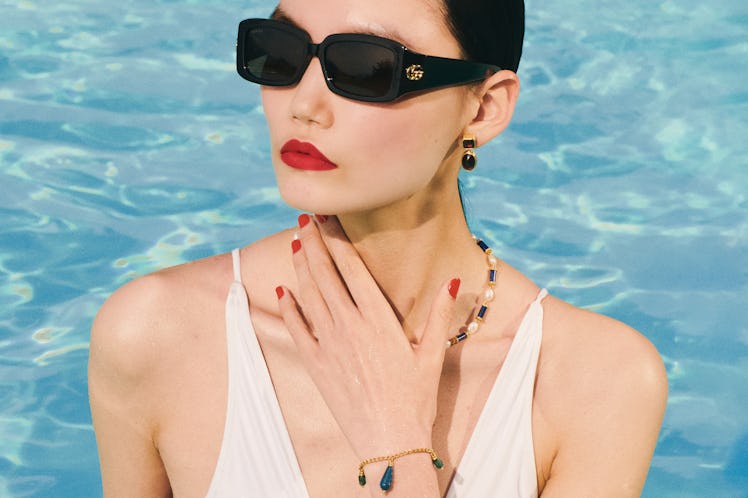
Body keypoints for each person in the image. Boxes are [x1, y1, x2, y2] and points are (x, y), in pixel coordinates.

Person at [88, 0, 668, 496]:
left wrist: (398, 447)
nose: (303, 105)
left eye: (366, 68)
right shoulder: (156, 334)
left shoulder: (596, 381)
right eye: (281, 54)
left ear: (483, 108)